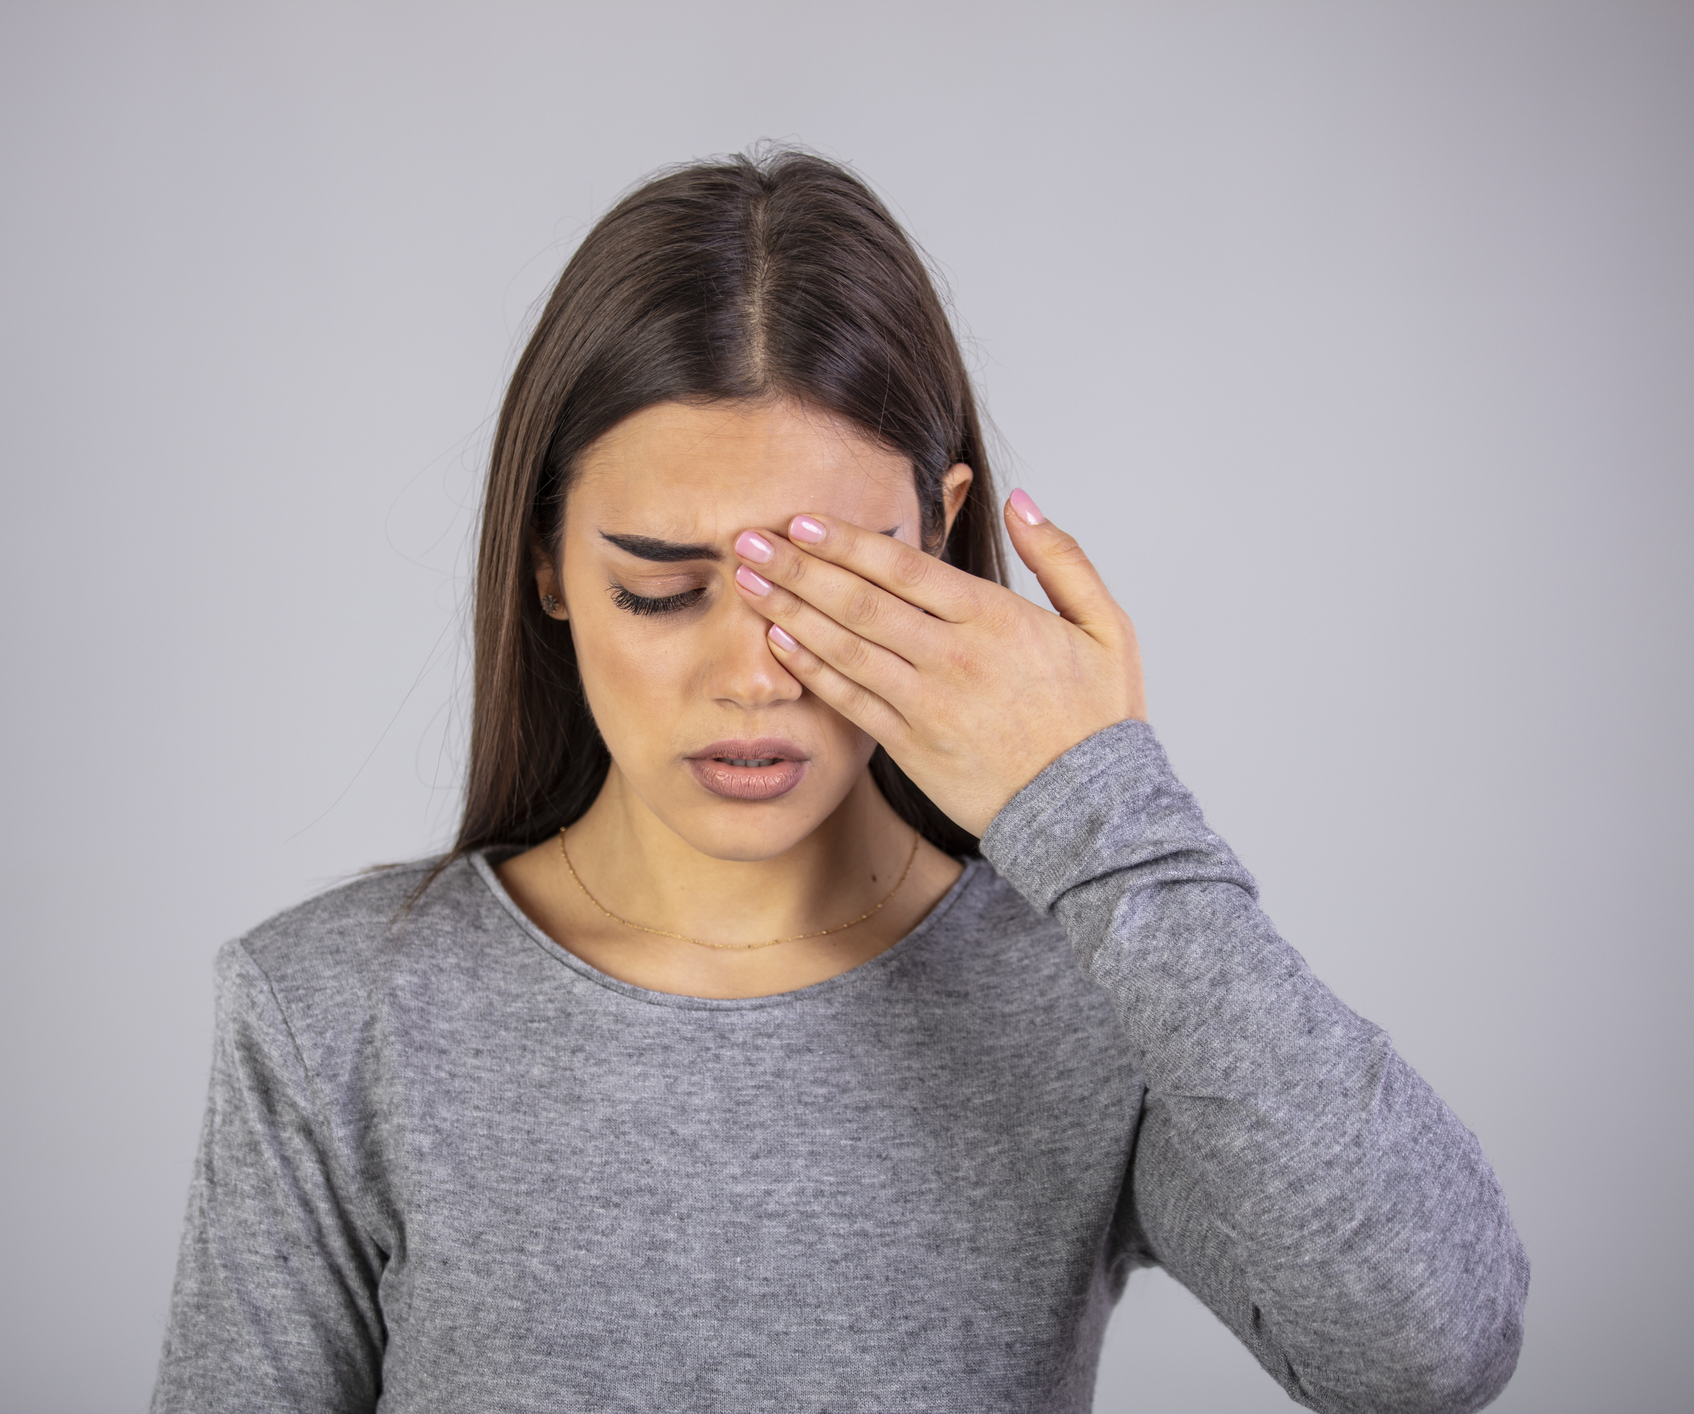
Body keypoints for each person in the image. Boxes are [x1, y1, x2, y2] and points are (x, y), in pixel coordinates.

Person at [150, 149, 1527, 1413]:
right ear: (548, 566)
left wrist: (1107, 815)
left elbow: (1428, 1349)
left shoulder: (1088, 990)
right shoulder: (332, 1012)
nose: (753, 675)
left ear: (937, 538)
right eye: (660, 589)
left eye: (828, 587)